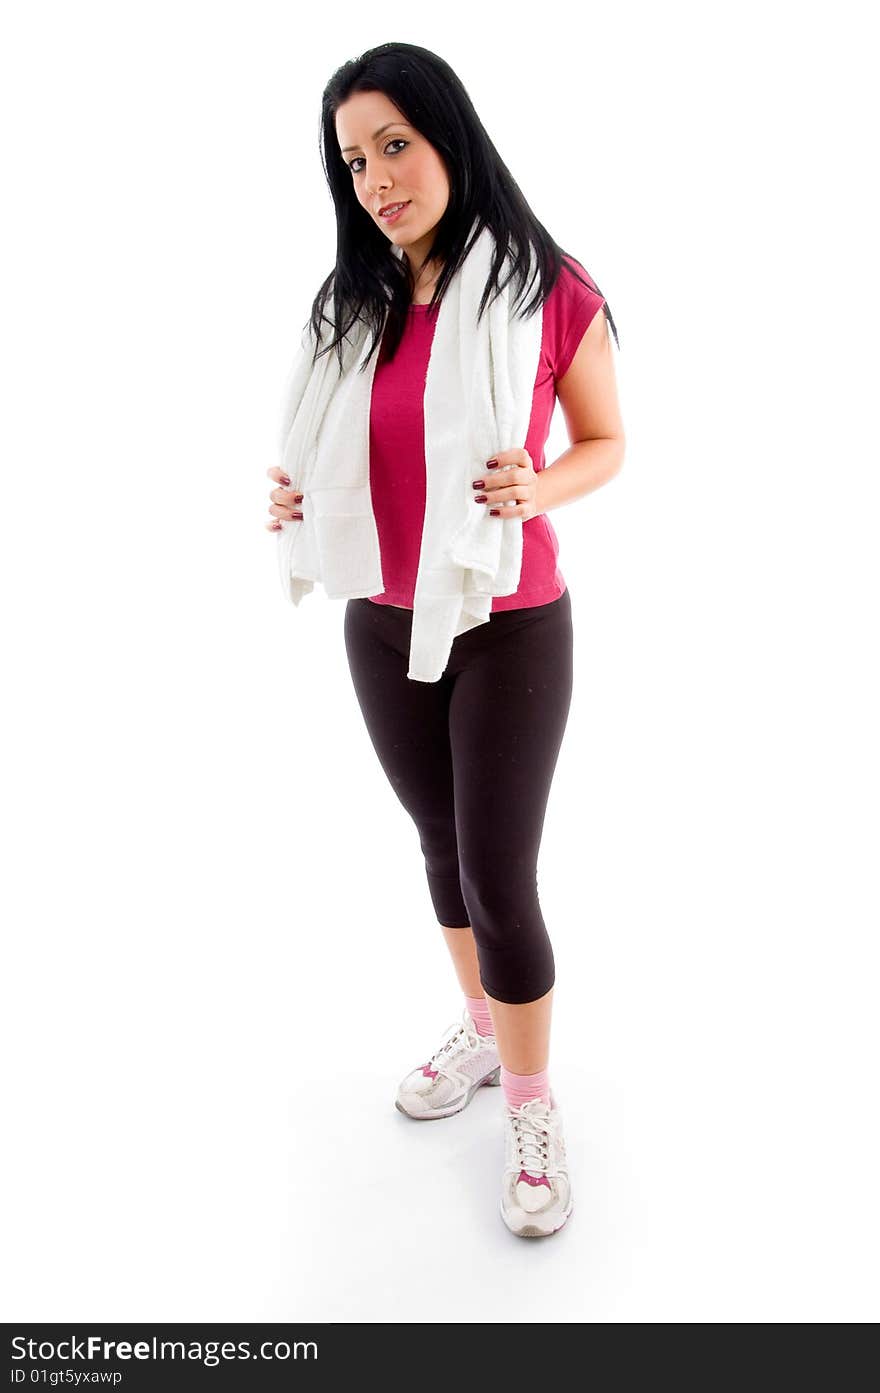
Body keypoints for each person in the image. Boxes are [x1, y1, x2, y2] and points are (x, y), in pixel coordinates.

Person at [266, 42, 625, 1238]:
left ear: (448, 136)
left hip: (508, 622)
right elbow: (341, 454)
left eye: (394, 146)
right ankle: (480, 1039)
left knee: (499, 874)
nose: (374, 179)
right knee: (437, 845)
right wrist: (298, 499)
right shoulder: (353, 306)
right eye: (353, 160)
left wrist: (540, 489)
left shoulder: (543, 285)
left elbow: (604, 441)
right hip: (384, 618)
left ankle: (530, 1104)